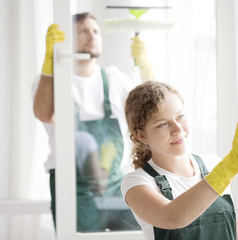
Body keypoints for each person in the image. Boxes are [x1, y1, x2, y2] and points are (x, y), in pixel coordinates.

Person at [32, 12, 154, 232]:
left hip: (116, 185)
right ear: (68, 39)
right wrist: (50, 61)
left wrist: (145, 67)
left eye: (96, 31)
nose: (92, 36)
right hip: (72, 189)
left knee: (141, 233)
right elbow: (44, 113)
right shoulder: (53, 81)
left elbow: (150, 109)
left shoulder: (114, 79)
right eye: (83, 31)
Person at [122, 81, 238, 240]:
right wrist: (232, 162)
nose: (178, 129)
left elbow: (229, 235)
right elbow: (173, 217)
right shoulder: (137, 183)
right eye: (162, 124)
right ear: (141, 136)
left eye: (180, 117)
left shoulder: (213, 164)